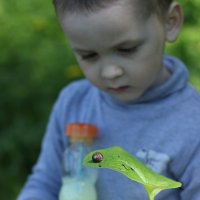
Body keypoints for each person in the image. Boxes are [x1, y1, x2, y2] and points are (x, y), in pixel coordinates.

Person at [18, 0, 200, 199]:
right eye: (89, 55)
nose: (110, 72)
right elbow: (45, 183)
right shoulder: (74, 103)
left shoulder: (192, 125)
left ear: (170, 22)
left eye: (127, 49)